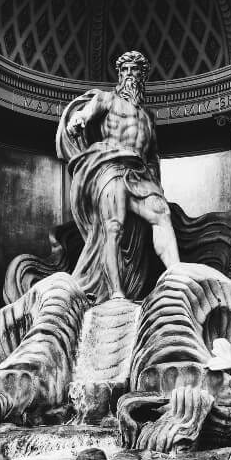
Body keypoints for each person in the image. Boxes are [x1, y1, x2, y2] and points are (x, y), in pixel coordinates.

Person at [57, 51, 179, 302]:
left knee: (162, 214)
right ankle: (116, 293)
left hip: (139, 173)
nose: (129, 75)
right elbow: (88, 112)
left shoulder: (147, 117)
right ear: (119, 74)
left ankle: (178, 277)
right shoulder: (107, 99)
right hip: (110, 167)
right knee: (113, 228)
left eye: (134, 70)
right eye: (125, 70)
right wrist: (79, 119)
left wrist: (156, 184)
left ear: (143, 75)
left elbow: (152, 155)